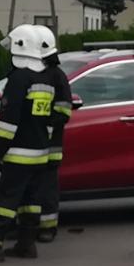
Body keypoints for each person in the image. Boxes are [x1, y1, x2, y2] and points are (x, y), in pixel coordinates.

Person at [0, 25, 56, 264]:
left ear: (20, 48)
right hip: (40, 153)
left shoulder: (18, 80)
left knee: (5, 199)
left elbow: (9, 120)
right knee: (30, 201)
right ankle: (27, 245)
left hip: (19, 153)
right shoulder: (43, 79)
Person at [32, 42, 74, 243]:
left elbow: (64, 111)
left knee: (47, 188)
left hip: (50, 145)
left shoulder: (57, 76)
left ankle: (48, 227)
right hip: (33, 144)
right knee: (32, 187)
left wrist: (45, 123)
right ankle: (30, 225)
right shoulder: (34, 74)